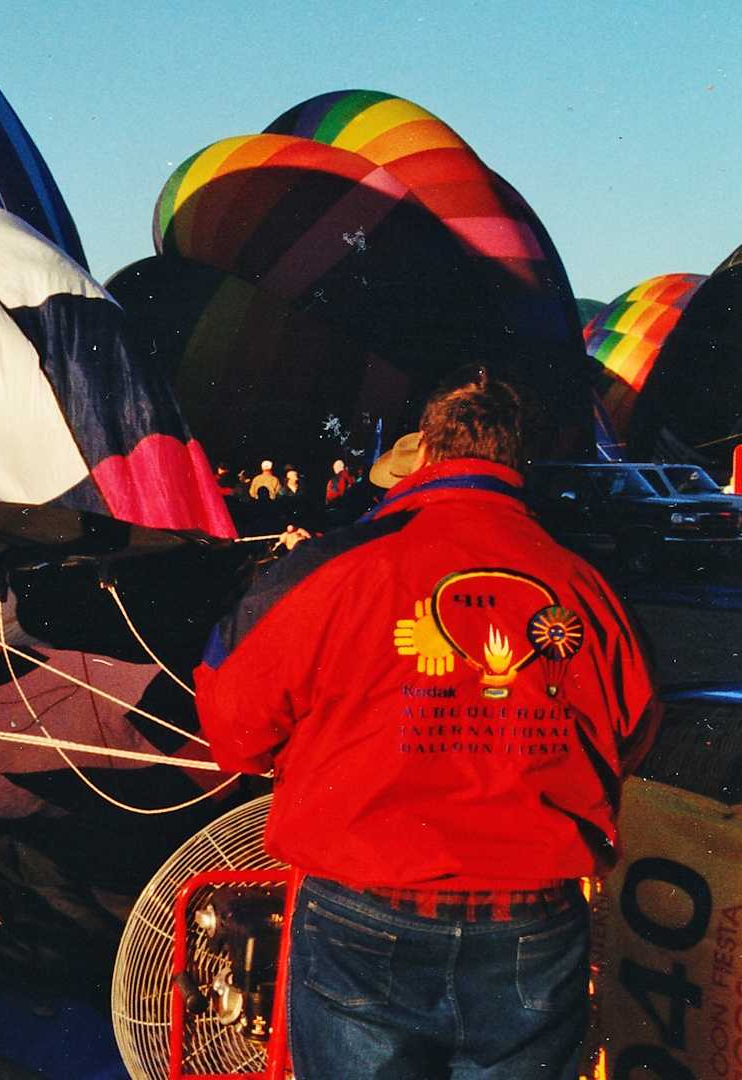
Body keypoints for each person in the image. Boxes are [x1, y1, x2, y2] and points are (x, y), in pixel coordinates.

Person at [194, 370, 659, 1078]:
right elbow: (633, 728)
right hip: (531, 922)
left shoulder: (335, 563)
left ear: (426, 452)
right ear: (519, 460)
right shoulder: (587, 585)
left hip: (363, 910)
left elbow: (233, 731)